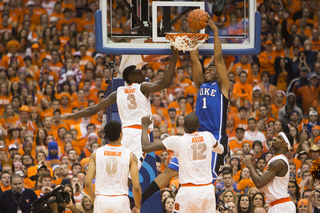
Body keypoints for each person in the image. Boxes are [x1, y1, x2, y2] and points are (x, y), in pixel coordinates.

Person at [140, 15, 230, 204]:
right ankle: (140, 200)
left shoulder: (222, 87)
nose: (208, 70)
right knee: (170, 170)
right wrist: (195, 32)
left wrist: (213, 31)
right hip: (195, 135)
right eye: (207, 69)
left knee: (207, 178)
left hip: (214, 136)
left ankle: (215, 204)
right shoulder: (200, 85)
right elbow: (194, 57)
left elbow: (219, 58)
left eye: (212, 70)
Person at [55, 47, 178, 170]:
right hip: (139, 133)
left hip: (124, 134)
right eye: (140, 73)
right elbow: (165, 84)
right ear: (133, 79)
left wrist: (69, 116)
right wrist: (174, 57)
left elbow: (93, 110)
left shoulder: (118, 92)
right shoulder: (142, 87)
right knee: (131, 171)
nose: (143, 74)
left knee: (123, 171)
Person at [138, 113, 224, 212]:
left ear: (183, 126)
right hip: (207, 190)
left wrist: (144, 127)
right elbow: (221, 150)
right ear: (198, 126)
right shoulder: (208, 136)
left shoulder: (178, 141)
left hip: (188, 190)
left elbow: (146, 147)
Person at [85, 120, 141, 213]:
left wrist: (95, 199)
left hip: (101, 199)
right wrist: (137, 206)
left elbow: (87, 182)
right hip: (120, 200)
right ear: (121, 134)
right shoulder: (130, 155)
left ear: (105, 135)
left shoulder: (96, 154)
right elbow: (136, 187)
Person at [242, 132, 296, 213]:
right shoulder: (276, 159)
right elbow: (261, 180)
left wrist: (250, 166)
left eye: (278, 137)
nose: (274, 138)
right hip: (276, 204)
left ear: (285, 144)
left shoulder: (279, 162)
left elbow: (259, 183)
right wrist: (253, 167)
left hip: (281, 206)